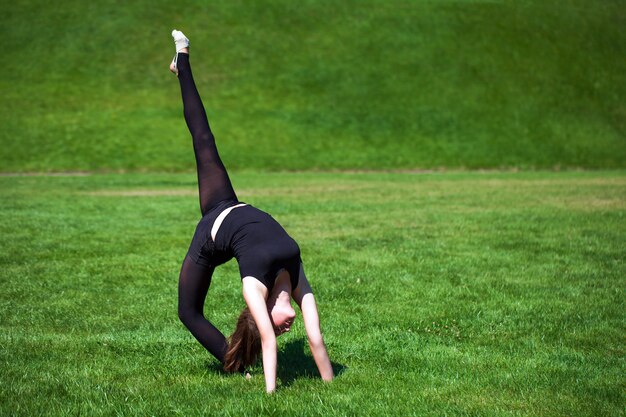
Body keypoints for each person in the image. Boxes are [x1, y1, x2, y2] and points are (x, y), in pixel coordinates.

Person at [170, 29, 334, 393]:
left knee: (187, 311)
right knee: (204, 139)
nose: (282, 329)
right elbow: (306, 339)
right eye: (279, 327)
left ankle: (234, 364)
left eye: (276, 327)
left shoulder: (254, 287)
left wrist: (331, 390)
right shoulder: (295, 271)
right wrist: (274, 395)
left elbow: (307, 339)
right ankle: (182, 60)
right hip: (227, 206)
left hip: (214, 232)